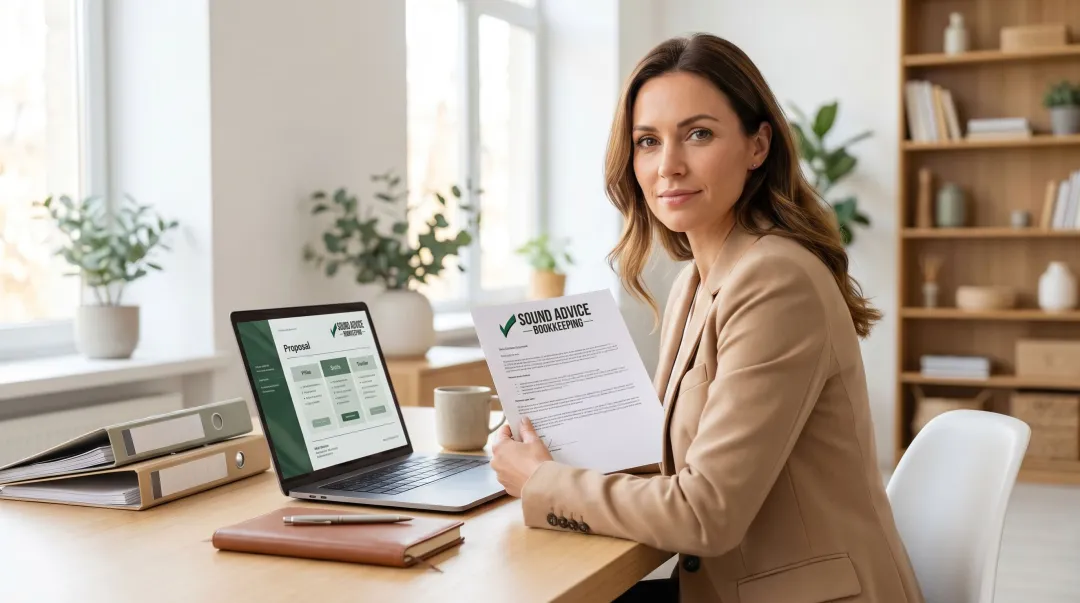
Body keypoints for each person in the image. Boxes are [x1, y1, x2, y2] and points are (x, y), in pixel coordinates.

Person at [489, 33, 925, 603]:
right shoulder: (695, 279)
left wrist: (544, 484)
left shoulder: (776, 281)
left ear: (758, 146)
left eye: (698, 134)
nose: (668, 166)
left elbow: (705, 513)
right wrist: (551, 448)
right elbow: (673, 463)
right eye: (648, 141)